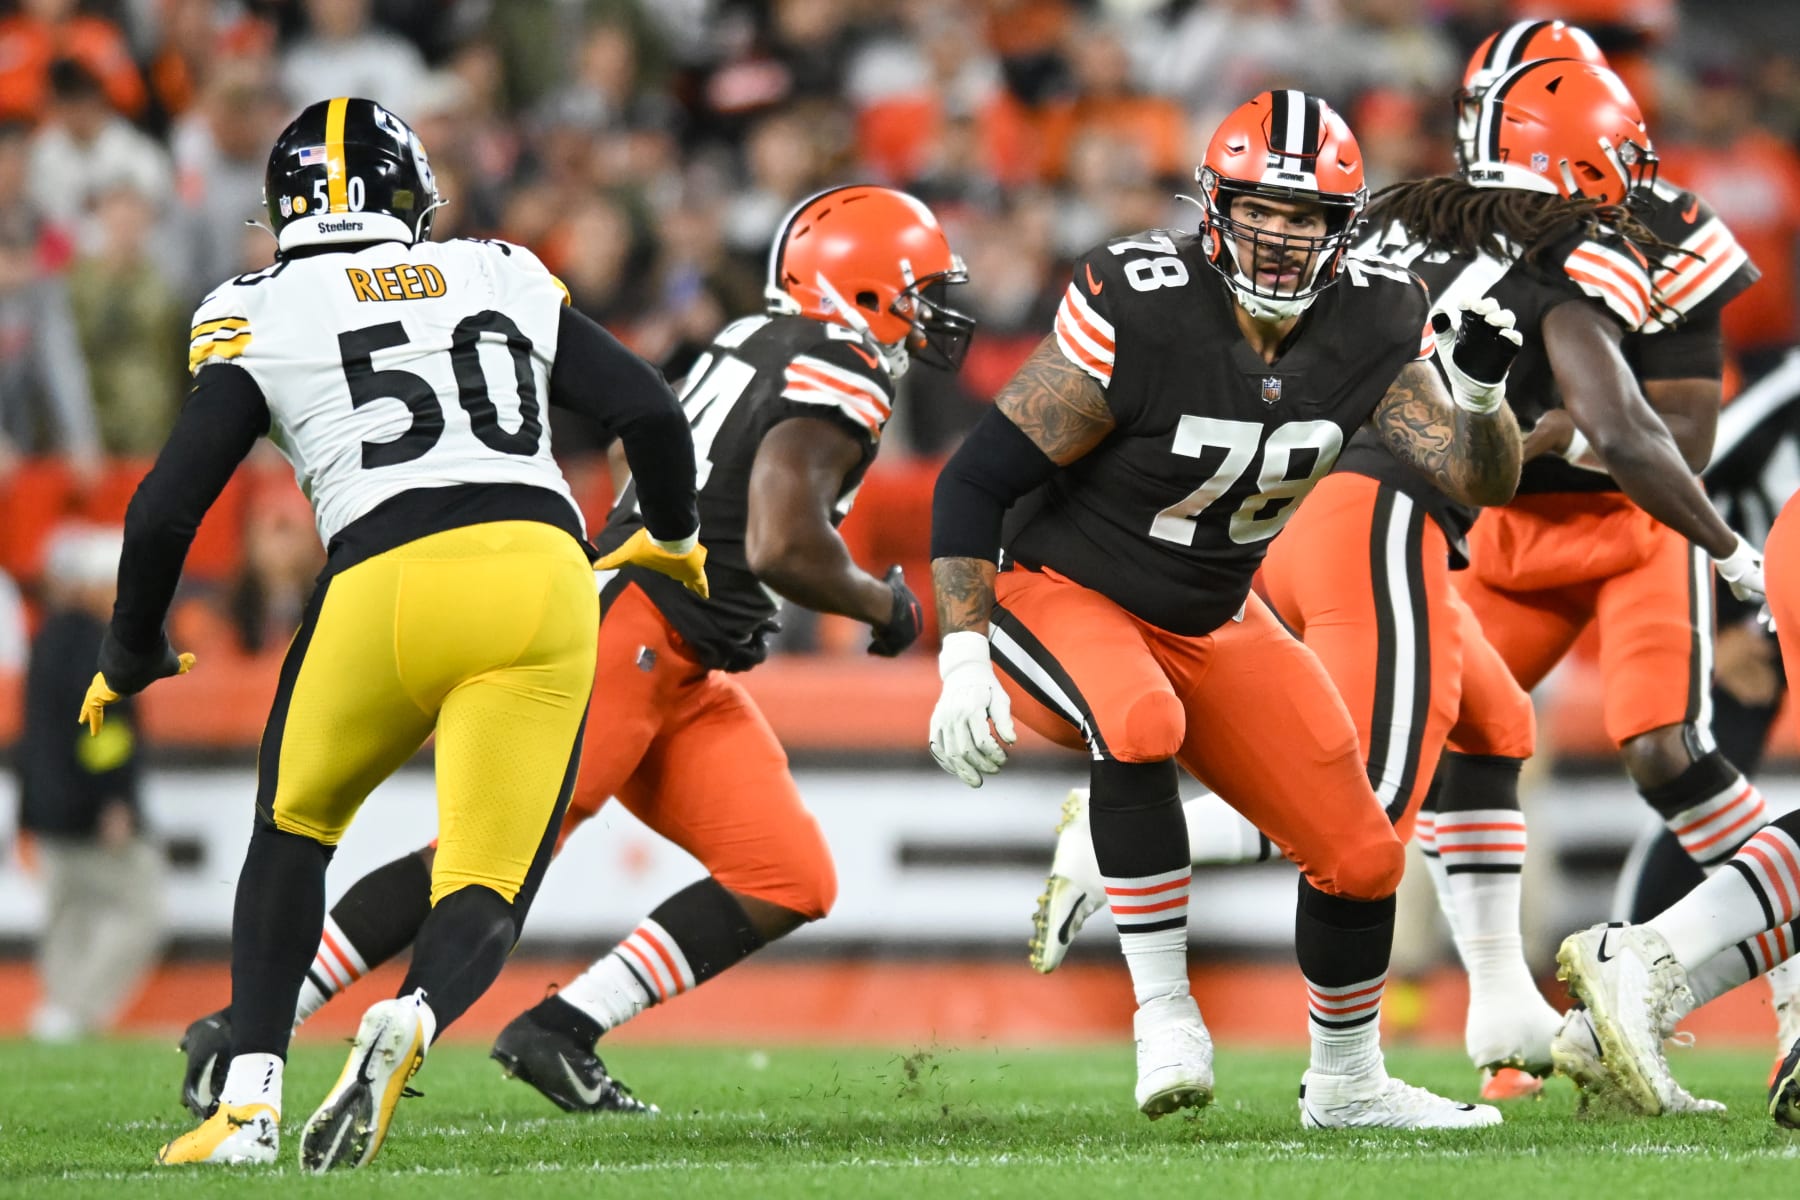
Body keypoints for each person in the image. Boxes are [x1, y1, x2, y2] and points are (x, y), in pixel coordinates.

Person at [175, 183, 973, 1118]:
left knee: (788, 875)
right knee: (481, 862)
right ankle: (248, 1025)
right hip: (632, 636)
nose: (932, 310)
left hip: (682, 657)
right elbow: (781, 542)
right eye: (918, 288)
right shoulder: (840, 363)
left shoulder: (759, 338)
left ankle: (562, 1028)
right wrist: (886, 606)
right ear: (862, 286)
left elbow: (662, 460)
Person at [88, 96, 702, 1171]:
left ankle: (249, 1105)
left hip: (384, 577)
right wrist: (675, 534)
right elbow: (649, 409)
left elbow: (165, 509)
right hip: (540, 574)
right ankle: (413, 1016)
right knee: (487, 874)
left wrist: (131, 646)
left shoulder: (257, 304)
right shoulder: (495, 269)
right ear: (411, 196)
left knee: (293, 830)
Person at [926, 89, 1523, 1129]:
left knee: (1364, 853)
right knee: (1140, 719)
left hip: (1211, 613)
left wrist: (1479, 398)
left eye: (1306, 217)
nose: (1281, 237)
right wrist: (962, 657)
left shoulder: (1378, 317)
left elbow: (1482, 480)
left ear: (1344, 229)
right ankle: (1164, 1014)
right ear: (1215, 207)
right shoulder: (1140, 301)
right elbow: (974, 479)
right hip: (1062, 589)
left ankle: (1348, 1085)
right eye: (1261, 210)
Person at [17, 523, 164, 1043]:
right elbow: (103, 731)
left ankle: (58, 1013)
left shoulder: (46, 638)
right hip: (90, 810)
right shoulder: (100, 645)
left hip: (50, 809)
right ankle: (77, 1012)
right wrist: (115, 799)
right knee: (141, 910)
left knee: (68, 915)